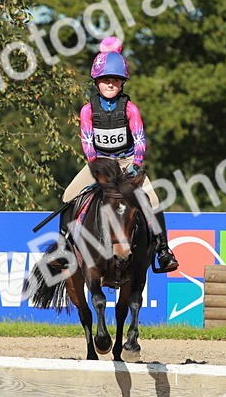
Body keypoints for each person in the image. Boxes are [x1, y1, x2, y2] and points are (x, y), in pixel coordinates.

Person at [46, 36, 179, 273]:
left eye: (116, 80)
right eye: (106, 80)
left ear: (122, 83)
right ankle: (64, 247)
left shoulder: (130, 109)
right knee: (69, 196)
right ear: (97, 82)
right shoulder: (87, 110)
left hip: (127, 162)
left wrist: (136, 164)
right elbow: (87, 142)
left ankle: (163, 250)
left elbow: (140, 140)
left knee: (153, 200)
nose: (110, 84)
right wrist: (96, 166)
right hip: (100, 163)